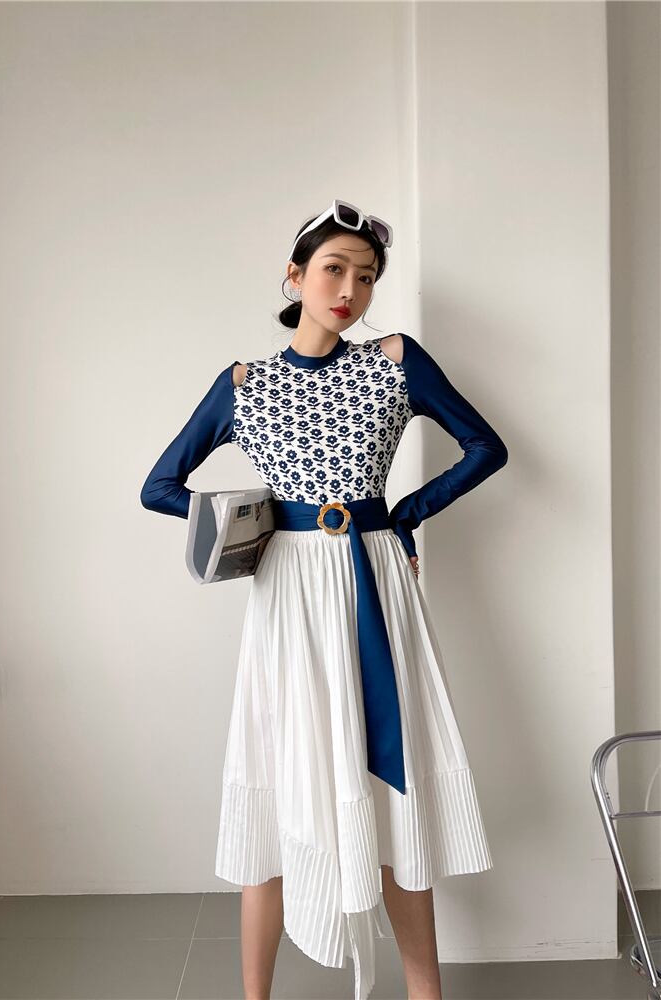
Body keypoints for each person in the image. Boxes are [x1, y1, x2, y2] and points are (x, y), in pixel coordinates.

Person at [140, 199, 508, 1000]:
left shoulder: (396, 360)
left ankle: (425, 995)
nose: (350, 290)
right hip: (290, 595)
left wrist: (407, 513)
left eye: (366, 277)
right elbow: (159, 486)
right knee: (282, 776)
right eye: (334, 270)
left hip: (375, 580)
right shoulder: (245, 384)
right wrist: (249, 520)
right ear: (295, 276)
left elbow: (487, 447)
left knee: (393, 790)